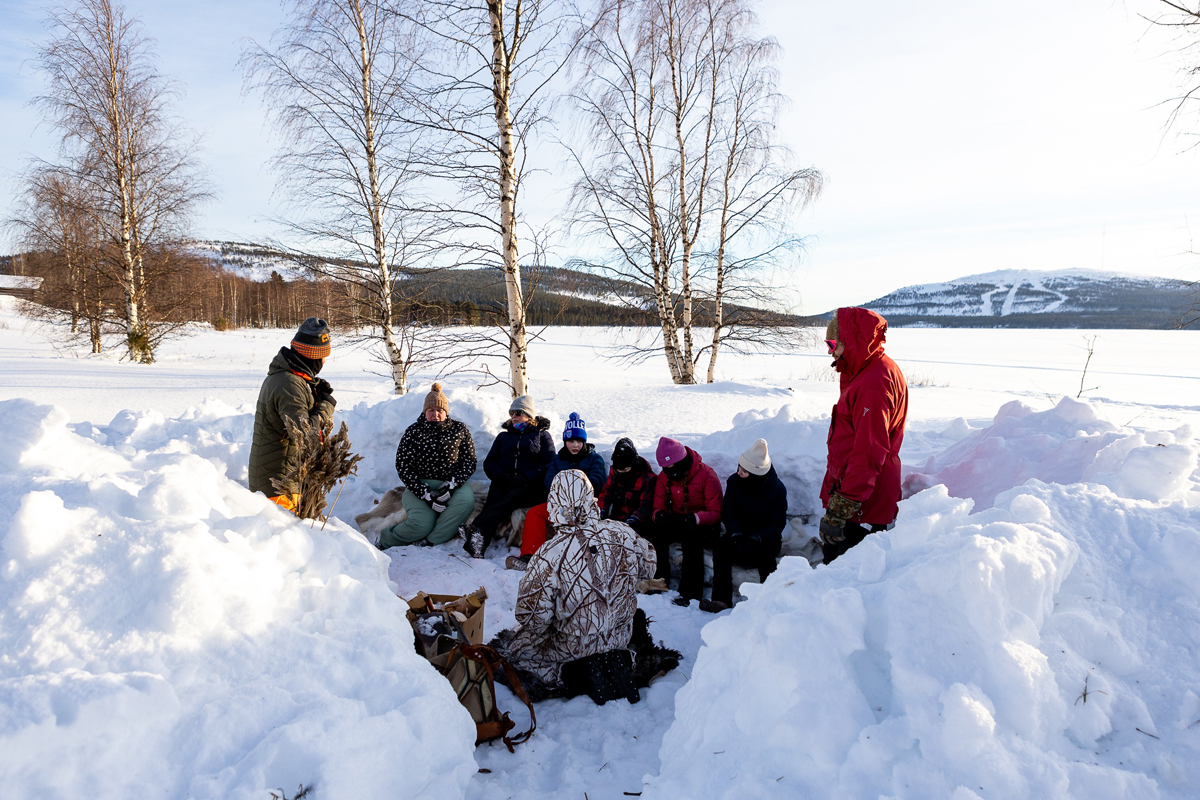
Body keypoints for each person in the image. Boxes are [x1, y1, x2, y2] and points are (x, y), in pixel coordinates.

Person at [493, 469, 678, 705]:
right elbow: (649, 569)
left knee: (518, 650)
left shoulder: (549, 554)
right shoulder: (622, 532)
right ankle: (618, 656)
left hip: (571, 644)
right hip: (619, 634)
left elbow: (531, 617)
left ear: (555, 504)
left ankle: (571, 673)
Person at [819, 307, 909, 564]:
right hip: (854, 496)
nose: (829, 350)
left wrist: (843, 505)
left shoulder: (873, 381)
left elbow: (869, 450)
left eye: (832, 343)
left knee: (843, 580)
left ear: (851, 340)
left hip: (862, 505)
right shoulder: (864, 370)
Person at [248, 317, 336, 512]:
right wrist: (325, 406)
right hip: (279, 487)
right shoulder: (288, 384)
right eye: (323, 356)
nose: (324, 361)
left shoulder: (290, 378)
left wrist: (313, 390)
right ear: (312, 356)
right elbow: (305, 433)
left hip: (283, 479)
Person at [379, 383, 478, 549]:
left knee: (466, 502)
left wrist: (452, 486)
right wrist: (424, 494)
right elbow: (403, 466)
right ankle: (386, 538)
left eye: (440, 410)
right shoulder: (413, 431)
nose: (436, 414)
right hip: (420, 485)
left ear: (446, 412)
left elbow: (469, 461)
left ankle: (431, 540)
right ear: (425, 412)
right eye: (431, 411)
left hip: (452, 483)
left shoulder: (459, 429)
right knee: (421, 524)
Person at [507, 412, 607, 571]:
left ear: (584, 441)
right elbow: (549, 480)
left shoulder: (594, 459)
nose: (575, 445)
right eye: (571, 441)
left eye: (579, 441)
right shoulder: (558, 459)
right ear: (565, 441)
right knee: (535, 513)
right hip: (560, 504)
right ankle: (529, 556)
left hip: (585, 506)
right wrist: (563, 493)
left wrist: (575, 487)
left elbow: (598, 480)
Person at [463, 395, 554, 558]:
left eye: (518, 412)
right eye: (511, 412)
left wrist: (526, 477)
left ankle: (475, 528)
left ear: (529, 415)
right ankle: (478, 545)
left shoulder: (542, 436)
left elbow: (548, 462)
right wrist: (501, 476)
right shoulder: (503, 437)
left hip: (529, 485)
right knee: (494, 499)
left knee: (511, 497)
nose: (513, 416)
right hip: (504, 481)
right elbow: (489, 462)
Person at [650, 436, 725, 611]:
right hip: (679, 520)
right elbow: (657, 506)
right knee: (657, 536)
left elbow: (716, 512)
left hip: (703, 525)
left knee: (692, 540)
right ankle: (658, 583)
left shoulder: (707, 475)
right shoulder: (664, 478)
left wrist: (695, 518)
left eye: (672, 467)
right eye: (666, 468)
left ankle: (690, 593)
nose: (670, 471)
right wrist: (660, 516)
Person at [719, 438, 788, 603]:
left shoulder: (777, 489)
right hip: (739, 534)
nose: (739, 473)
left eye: (744, 471)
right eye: (739, 468)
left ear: (756, 475)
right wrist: (735, 533)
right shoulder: (734, 482)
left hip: (763, 539)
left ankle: (768, 601)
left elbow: (777, 523)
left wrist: (757, 538)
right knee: (720, 548)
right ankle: (721, 599)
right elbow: (728, 511)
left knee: (767, 559)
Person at [597, 437, 656, 538]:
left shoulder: (647, 478)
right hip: (616, 519)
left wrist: (634, 520)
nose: (621, 473)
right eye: (619, 471)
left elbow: (646, 506)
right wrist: (601, 511)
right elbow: (606, 493)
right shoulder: (615, 472)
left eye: (625, 470)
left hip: (638, 523)